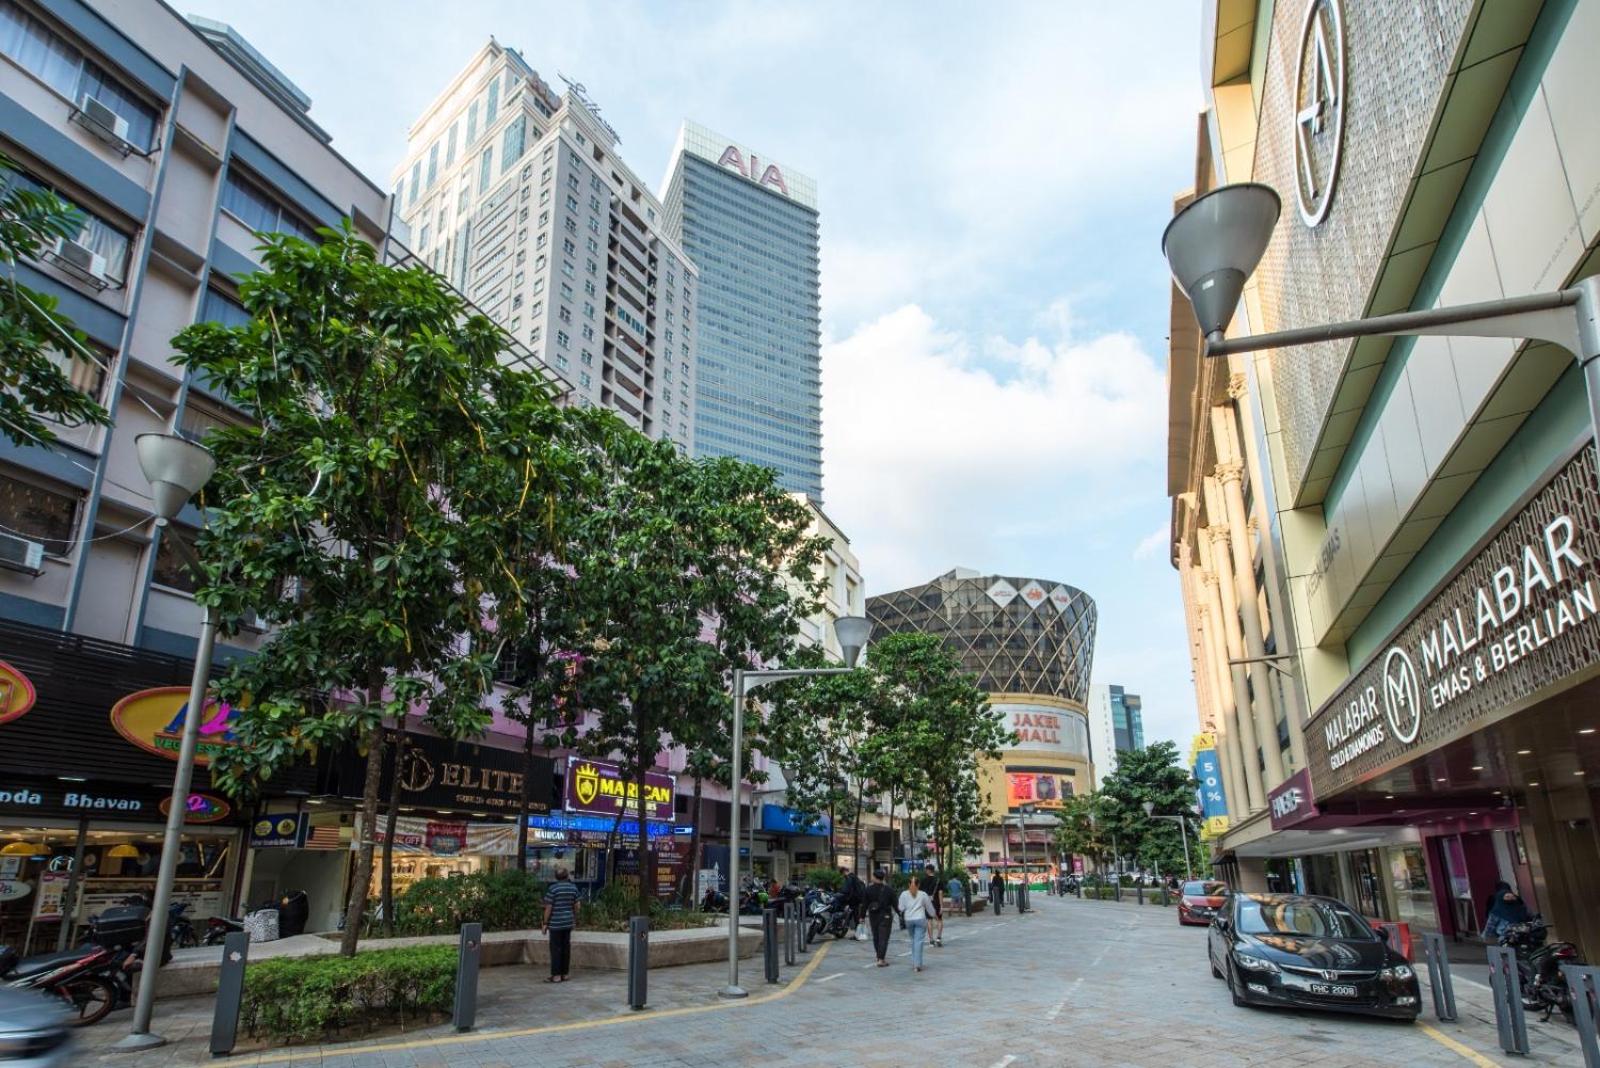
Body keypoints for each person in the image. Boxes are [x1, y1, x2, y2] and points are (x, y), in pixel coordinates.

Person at [540, 867, 580, 983]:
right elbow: (577, 906)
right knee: (566, 948)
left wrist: (545, 923)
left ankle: (556, 975)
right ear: (567, 876)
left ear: (556, 877)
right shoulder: (573, 888)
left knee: (556, 949)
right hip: (568, 922)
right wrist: (574, 918)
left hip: (555, 924)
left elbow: (548, 907)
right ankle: (565, 974)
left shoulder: (553, 889)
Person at [899, 874, 933, 973]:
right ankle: (917, 965)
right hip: (920, 919)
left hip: (908, 920)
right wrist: (934, 914)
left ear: (908, 884)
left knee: (913, 940)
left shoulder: (904, 894)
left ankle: (915, 962)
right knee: (918, 941)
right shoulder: (923, 894)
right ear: (919, 885)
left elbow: (900, 908)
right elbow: (929, 907)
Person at [864, 867, 897, 967]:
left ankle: (879, 957)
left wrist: (861, 916)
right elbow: (895, 903)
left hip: (873, 915)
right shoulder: (889, 890)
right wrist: (901, 914)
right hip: (886, 915)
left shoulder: (868, 889)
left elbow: (864, 904)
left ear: (874, 877)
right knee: (884, 937)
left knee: (876, 936)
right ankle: (881, 959)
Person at [840, 867, 866, 940]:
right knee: (855, 916)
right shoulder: (854, 877)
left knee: (855, 917)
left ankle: (858, 935)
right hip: (858, 899)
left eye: (842, 873)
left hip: (853, 900)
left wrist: (845, 897)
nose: (843, 875)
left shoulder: (849, 878)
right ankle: (858, 934)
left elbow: (847, 889)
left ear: (844, 871)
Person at [923, 863, 944, 946]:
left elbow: (921, 893)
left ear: (928, 870)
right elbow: (940, 893)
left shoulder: (923, 880)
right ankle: (938, 938)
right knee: (939, 920)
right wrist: (941, 906)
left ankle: (931, 940)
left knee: (929, 920)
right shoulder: (938, 880)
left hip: (927, 903)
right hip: (936, 902)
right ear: (933, 870)